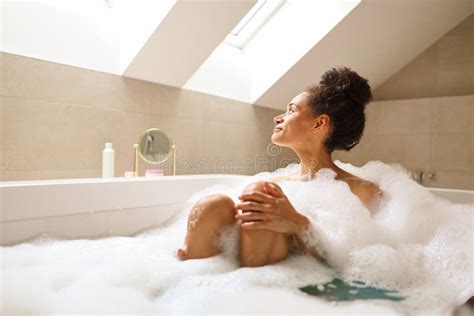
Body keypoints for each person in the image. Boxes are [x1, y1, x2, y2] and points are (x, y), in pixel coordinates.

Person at [175, 67, 382, 267]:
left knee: (260, 192)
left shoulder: (362, 190)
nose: (278, 117)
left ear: (320, 124)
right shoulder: (278, 183)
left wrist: (297, 223)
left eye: (291, 110)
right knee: (213, 205)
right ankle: (190, 280)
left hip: (304, 286)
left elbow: (350, 262)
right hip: (252, 278)